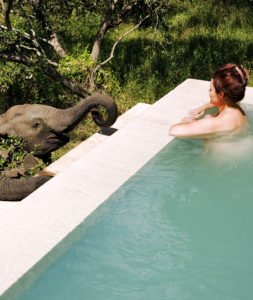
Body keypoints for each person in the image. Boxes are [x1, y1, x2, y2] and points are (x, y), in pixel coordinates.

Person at [169, 64, 249, 138]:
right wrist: (203, 107)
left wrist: (189, 121)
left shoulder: (218, 122)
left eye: (211, 89)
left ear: (221, 95)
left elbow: (174, 131)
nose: (208, 91)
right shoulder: (237, 109)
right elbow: (222, 101)